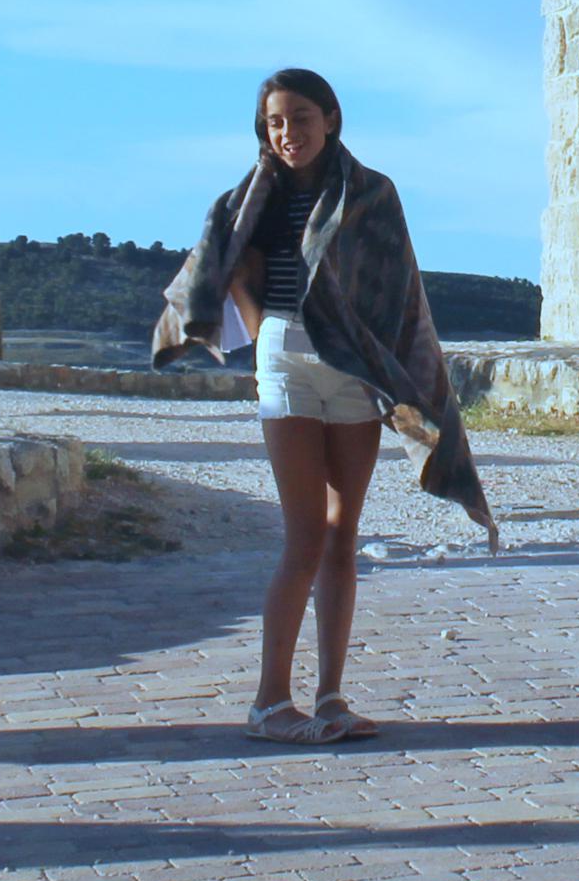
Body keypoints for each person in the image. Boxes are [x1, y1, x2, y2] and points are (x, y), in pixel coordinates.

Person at [154, 67, 496, 743]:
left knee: (344, 536)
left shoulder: (372, 194)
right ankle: (269, 702)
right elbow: (230, 274)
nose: (288, 133)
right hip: (286, 359)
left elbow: (399, 290)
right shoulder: (248, 199)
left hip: (355, 364)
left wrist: (404, 373)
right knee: (304, 535)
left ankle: (332, 695)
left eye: (300, 117)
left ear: (331, 117)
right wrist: (262, 338)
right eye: (275, 122)